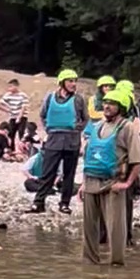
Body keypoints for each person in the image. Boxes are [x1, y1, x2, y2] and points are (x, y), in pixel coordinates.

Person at [81, 85, 140, 268]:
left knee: (115, 228)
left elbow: (138, 159)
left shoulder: (127, 128)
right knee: (89, 229)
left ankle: (116, 265)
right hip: (91, 182)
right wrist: (83, 184)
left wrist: (127, 183)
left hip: (113, 184)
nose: (107, 106)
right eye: (106, 102)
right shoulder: (97, 126)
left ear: (121, 107)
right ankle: (90, 266)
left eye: (112, 103)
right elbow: (88, 157)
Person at [32, 69, 87, 213]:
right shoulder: (50, 98)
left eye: (75, 81)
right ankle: (39, 202)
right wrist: (49, 129)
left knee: (69, 174)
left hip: (72, 142)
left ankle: (64, 203)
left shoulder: (79, 99)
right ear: (62, 83)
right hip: (53, 141)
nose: (73, 84)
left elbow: (85, 118)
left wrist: (77, 129)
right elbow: (43, 115)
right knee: (47, 172)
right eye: (70, 81)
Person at [0, 78, 29, 146]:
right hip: (12, 117)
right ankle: (11, 148)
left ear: (16, 86)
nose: (9, 88)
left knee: (21, 132)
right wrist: (7, 110)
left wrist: (19, 117)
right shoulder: (8, 95)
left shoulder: (23, 95)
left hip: (22, 117)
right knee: (11, 133)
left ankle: (23, 147)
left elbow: (24, 107)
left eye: (11, 86)